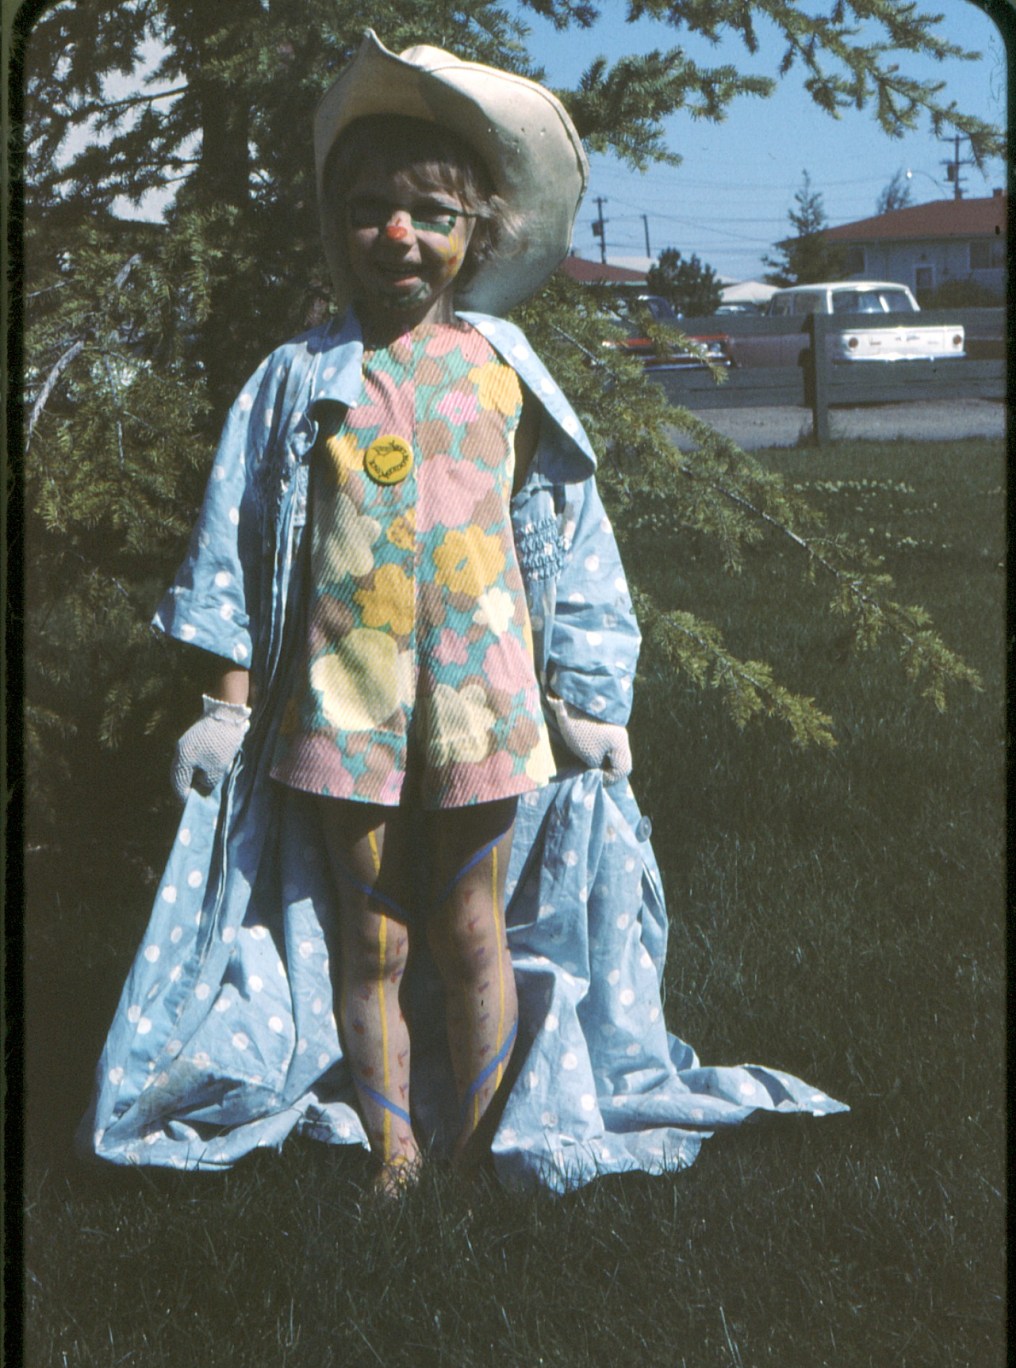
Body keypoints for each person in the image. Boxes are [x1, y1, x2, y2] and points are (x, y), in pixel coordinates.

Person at [79, 33, 845, 1192]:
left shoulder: (504, 367)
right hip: (345, 703)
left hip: (484, 704)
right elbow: (235, 542)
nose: (400, 234)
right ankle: (394, 1145)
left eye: (430, 214)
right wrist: (223, 706)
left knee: (473, 925)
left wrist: (586, 698)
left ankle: (485, 1143)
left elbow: (573, 539)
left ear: (475, 232)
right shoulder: (300, 378)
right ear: (339, 225)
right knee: (373, 931)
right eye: (373, 210)